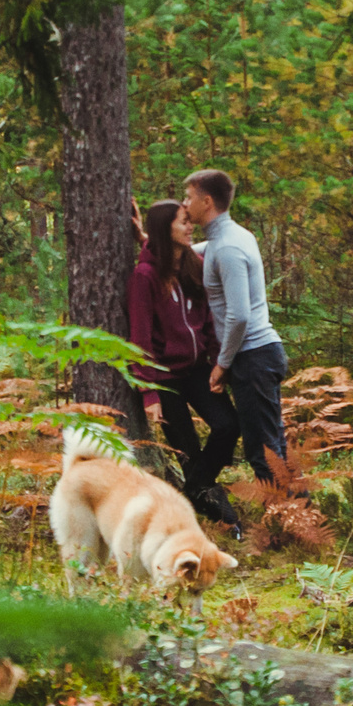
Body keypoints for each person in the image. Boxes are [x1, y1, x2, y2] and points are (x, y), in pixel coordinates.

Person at [126, 199, 240, 523]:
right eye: (183, 222)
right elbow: (140, 341)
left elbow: (209, 320)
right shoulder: (144, 278)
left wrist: (219, 362)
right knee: (187, 450)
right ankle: (221, 517)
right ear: (167, 229)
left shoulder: (195, 265)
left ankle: (194, 491)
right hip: (164, 378)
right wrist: (149, 393)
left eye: (190, 221)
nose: (191, 227)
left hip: (197, 369)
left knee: (229, 426)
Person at [181, 168, 289, 482]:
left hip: (253, 357)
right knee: (272, 450)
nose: (185, 204)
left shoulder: (227, 247)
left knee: (264, 454)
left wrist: (222, 364)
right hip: (256, 356)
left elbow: (239, 315)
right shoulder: (225, 240)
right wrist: (151, 237)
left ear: (207, 201)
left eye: (189, 197)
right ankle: (295, 521)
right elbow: (186, 252)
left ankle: (284, 525)